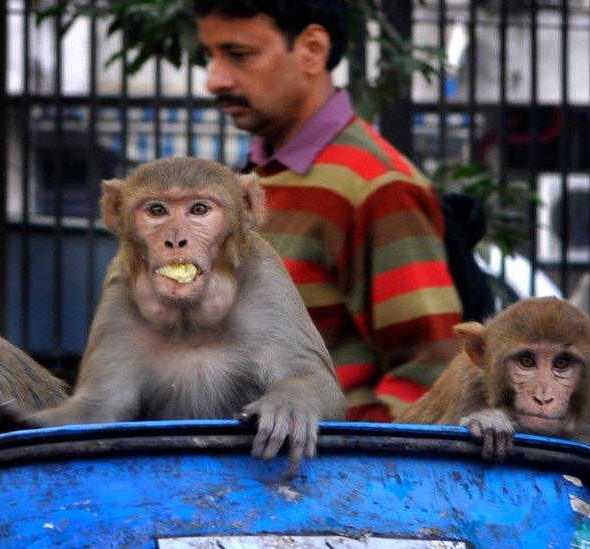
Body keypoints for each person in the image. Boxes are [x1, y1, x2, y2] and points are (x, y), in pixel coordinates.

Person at [194, 0, 464, 421]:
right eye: (210, 56)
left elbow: (430, 372)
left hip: (323, 475)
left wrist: (354, 471)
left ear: (312, 50)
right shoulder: (255, 178)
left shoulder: (375, 185)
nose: (215, 79)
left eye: (239, 54)